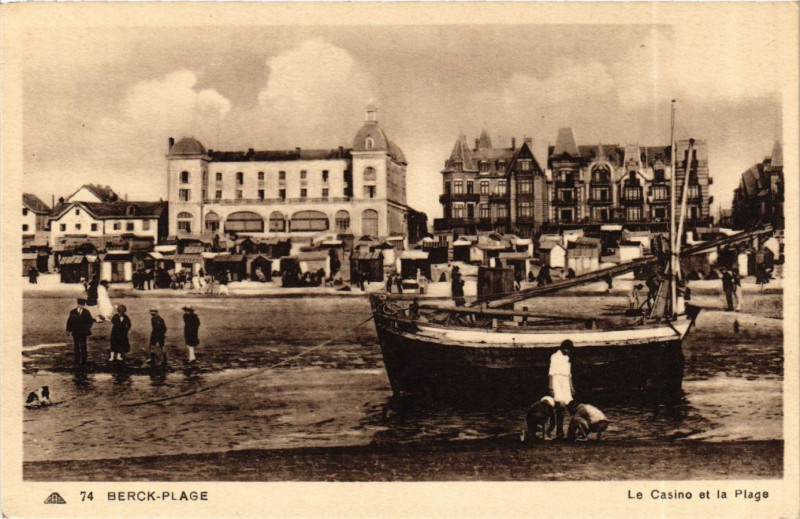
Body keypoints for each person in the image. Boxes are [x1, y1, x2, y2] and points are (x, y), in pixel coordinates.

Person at [548, 340, 575, 439]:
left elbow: (569, 374)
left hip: (565, 383)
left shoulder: (567, 358)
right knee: (560, 406)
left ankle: (571, 430)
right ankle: (559, 431)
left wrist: (572, 387)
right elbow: (551, 373)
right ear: (564, 348)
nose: (569, 352)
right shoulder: (555, 356)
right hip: (557, 381)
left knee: (569, 406)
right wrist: (551, 387)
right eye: (568, 349)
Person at [66, 298, 94, 367]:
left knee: (83, 346)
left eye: (83, 305)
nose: (82, 306)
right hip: (75, 332)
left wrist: (87, 329)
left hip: (83, 332)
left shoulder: (86, 312)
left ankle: (84, 361)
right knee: (76, 346)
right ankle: (77, 360)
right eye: (80, 304)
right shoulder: (73, 312)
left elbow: (90, 321)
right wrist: (68, 330)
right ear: (78, 304)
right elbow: (69, 322)